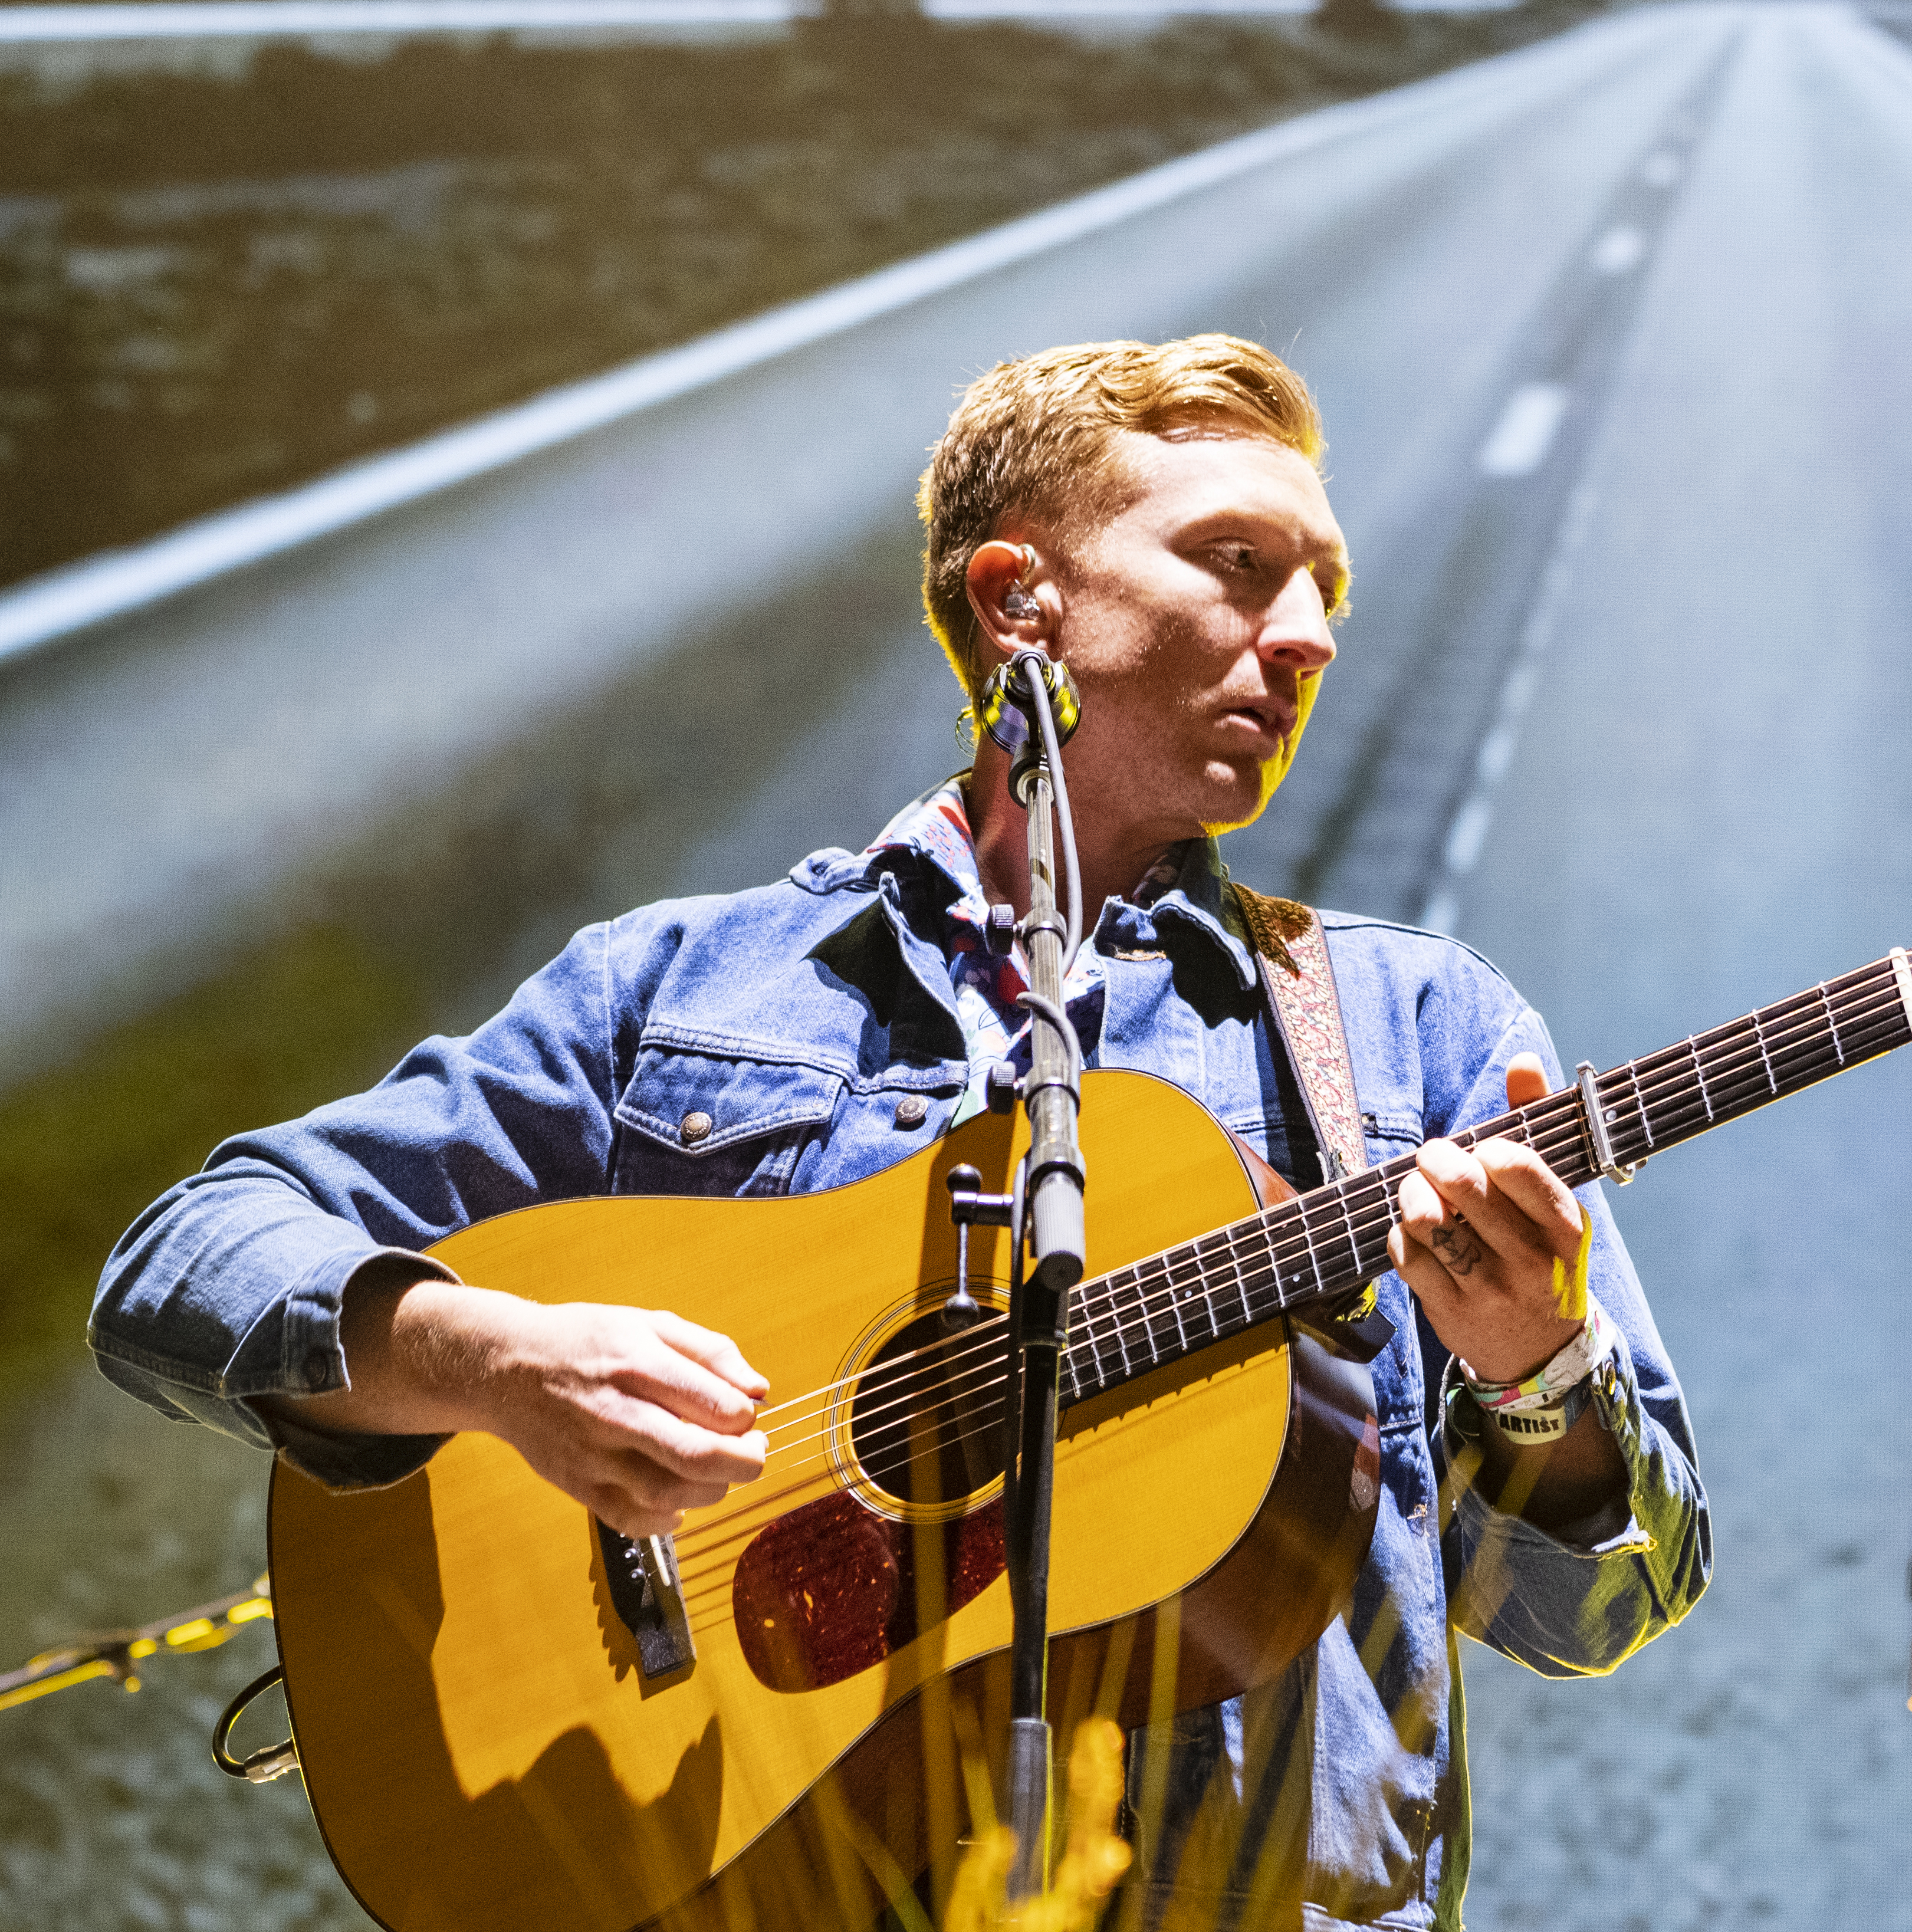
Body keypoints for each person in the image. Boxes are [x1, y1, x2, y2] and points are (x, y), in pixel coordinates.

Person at [91, 334, 1707, 1930]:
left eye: (1326, 593)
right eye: (1236, 564)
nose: (1303, 638)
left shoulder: (1416, 1037)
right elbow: (181, 1263)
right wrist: (490, 1359)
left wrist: (1532, 1369)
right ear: (1019, 600)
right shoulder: (676, 990)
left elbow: (1594, 1608)